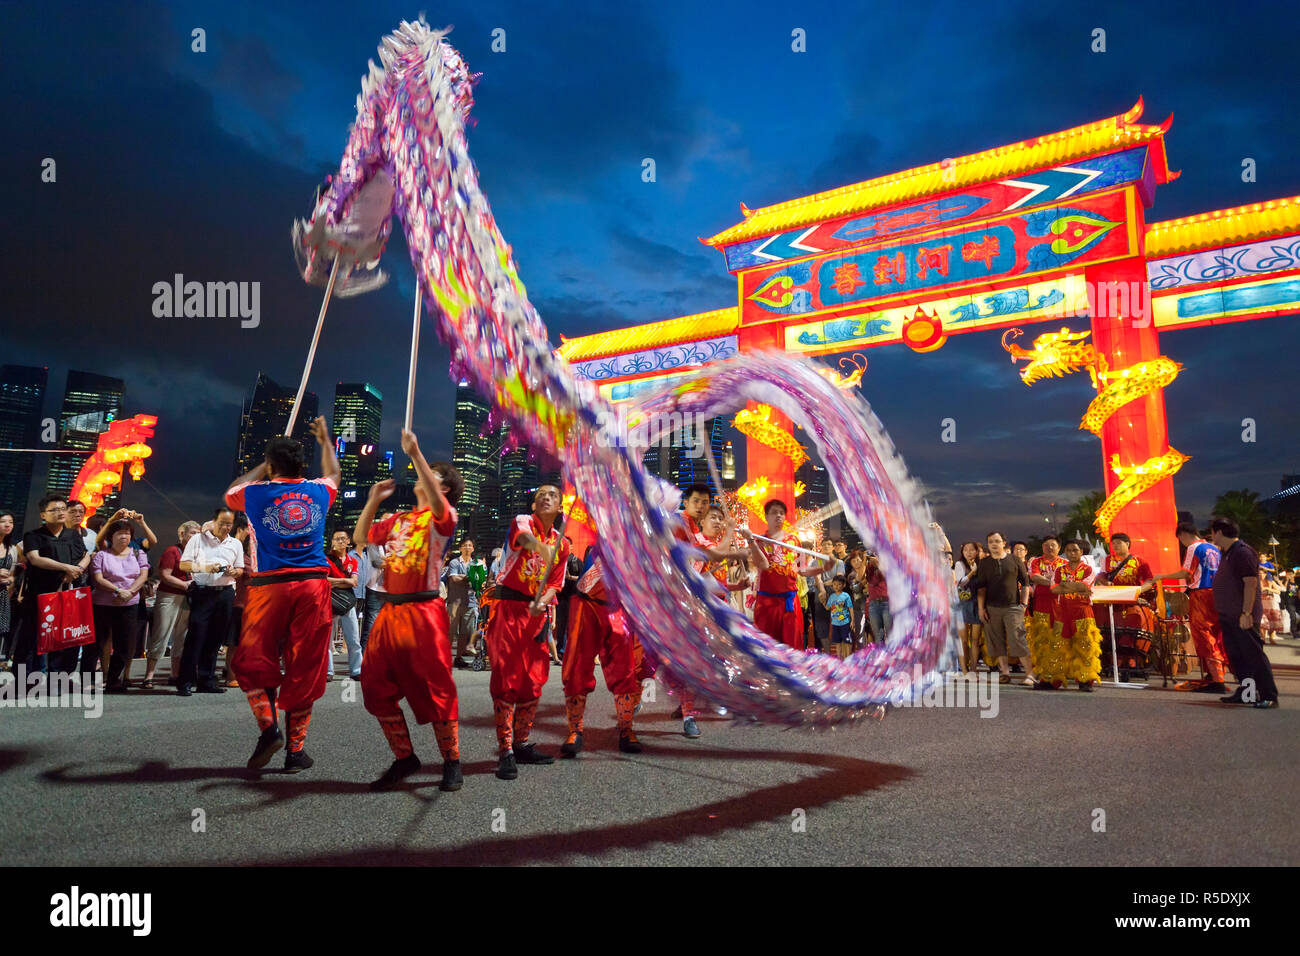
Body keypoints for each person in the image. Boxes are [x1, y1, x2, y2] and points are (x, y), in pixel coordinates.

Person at [226, 417, 340, 773]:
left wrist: (264, 463)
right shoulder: (320, 491)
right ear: (303, 466)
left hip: (269, 587)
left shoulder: (255, 492)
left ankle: (268, 729)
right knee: (304, 665)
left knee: (253, 659)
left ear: (272, 465)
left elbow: (231, 491)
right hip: (312, 585)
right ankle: (295, 751)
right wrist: (325, 441)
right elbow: (334, 473)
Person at [354, 431, 466, 793]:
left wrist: (416, 451)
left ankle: (452, 760)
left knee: (437, 688)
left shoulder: (443, 517)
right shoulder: (400, 518)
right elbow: (362, 537)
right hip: (390, 612)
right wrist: (372, 500)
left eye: (433, 474)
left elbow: (438, 506)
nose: (423, 475)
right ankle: (405, 758)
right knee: (374, 687)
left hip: (425, 612)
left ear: (444, 488)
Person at [486, 483, 569, 779]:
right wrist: (540, 547)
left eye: (553, 496)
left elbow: (555, 584)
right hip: (509, 608)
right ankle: (506, 749)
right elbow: (522, 538)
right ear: (534, 505)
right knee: (507, 679)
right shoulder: (524, 521)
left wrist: (542, 602)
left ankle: (521, 743)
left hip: (536, 614)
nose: (546, 498)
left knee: (534, 680)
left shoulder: (564, 543)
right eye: (541, 496)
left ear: (560, 508)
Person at [560, 546, 643, 756]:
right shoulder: (590, 538)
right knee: (576, 670)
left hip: (618, 608)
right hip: (586, 605)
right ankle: (575, 731)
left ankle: (626, 730)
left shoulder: (635, 541)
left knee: (624, 670)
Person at [1149, 523, 1229, 693]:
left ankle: (1217, 679)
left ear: (1183, 534)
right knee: (1215, 633)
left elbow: (1186, 573)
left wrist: (1162, 576)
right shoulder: (1213, 548)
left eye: (1180, 539)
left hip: (1201, 595)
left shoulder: (1194, 547)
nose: (1181, 543)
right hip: (1219, 593)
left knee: (1203, 634)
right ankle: (1213, 674)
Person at [17, 495, 91, 678]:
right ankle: (24, 679)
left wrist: (78, 569)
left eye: (62, 509)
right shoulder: (33, 535)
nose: (60, 512)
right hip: (40, 593)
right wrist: (66, 567)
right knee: (31, 638)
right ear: (43, 514)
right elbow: (35, 559)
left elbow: (86, 555)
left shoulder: (73, 535)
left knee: (64, 638)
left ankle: (57, 679)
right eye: (54, 509)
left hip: (67, 593)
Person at [1209, 518, 1279, 708]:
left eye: (1212, 532)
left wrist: (1246, 613)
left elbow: (1250, 583)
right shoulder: (1228, 553)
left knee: (1253, 655)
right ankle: (1248, 693)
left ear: (1219, 532)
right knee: (1238, 657)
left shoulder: (1242, 552)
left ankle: (1269, 695)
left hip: (1242, 615)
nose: (1211, 536)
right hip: (1229, 615)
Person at [177, 509, 244, 695]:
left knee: (216, 638)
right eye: (222, 523)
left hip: (225, 593)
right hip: (203, 592)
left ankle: (206, 680)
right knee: (195, 637)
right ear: (213, 521)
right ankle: (185, 681)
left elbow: (240, 569)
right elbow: (184, 564)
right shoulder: (198, 540)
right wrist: (205, 567)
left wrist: (233, 572)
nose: (225, 527)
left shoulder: (235, 544)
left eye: (229, 524)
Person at [89, 519, 150, 690]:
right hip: (102, 604)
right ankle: (89, 680)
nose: (124, 536)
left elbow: (143, 575)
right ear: (111, 536)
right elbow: (98, 579)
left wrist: (129, 593)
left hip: (129, 605)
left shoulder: (138, 554)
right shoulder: (102, 555)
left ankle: (114, 680)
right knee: (95, 645)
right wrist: (117, 590)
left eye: (127, 533)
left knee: (124, 645)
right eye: (119, 533)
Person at [974, 531, 1037, 685]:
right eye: (990, 542)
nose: (994, 544)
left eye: (997, 541)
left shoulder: (1015, 560)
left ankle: (1030, 674)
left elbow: (1025, 584)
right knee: (996, 641)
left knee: (1017, 639)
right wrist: (981, 609)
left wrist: (1023, 604)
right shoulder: (984, 563)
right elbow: (981, 588)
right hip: (992, 608)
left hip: (1013, 607)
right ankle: (1005, 673)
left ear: (1004, 543)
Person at [1042, 539, 1103, 690]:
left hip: (1082, 612)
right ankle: (1054, 680)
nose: (1072, 553)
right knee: (1057, 645)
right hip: (1062, 612)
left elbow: (1084, 586)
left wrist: (1065, 586)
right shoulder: (1059, 570)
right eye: (1068, 550)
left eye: (1075, 550)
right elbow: (1054, 589)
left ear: (1081, 552)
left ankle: (1085, 680)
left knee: (1085, 645)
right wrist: (1075, 587)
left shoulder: (1088, 569)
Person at [145, 520, 198, 688]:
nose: (195, 537)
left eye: (198, 534)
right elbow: (165, 574)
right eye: (192, 533)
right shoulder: (172, 551)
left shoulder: (197, 553)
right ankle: (149, 675)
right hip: (169, 596)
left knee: (182, 637)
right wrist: (185, 585)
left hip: (187, 598)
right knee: (161, 633)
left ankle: (175, 674)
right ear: (182, 534)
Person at [752, 499, 810, 651]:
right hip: (766, 603)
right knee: (767, 649)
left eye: (781, 513)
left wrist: (823, 568)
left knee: (792, 648)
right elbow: (761, 565)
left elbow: (802, 570)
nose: (778, 516)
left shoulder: (794, 540)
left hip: (789, 603)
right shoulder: (758, 541)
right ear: (766, 516)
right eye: (773, 513)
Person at [1026, 535, 1067, 684]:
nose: (1050, 547)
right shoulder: (1036, 561)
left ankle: (1058, 670)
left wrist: (1049, 581)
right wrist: (1053, 581)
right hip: (1041, 604)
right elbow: (1035, 577)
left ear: (1059, 548)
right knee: (1042, 636)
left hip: (1060, 605)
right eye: (1046, 545)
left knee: (1059, 636)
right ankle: (1041, 670)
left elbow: (1068, 580)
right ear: (1042, 547)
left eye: (1053, 545)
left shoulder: (1065, 563)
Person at [325, 530, 362, 680]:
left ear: (348, 541)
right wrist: (345, 581)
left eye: (343, 539)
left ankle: (356, 670)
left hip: (347, 602)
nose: (340, 542)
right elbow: (324, 580)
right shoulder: (326, 559)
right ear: (332, 542)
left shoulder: (353, 561)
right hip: (329, 601)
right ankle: (328, 671)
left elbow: (355, 582)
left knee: (353, 638)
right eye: (337, 539)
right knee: (327, 639)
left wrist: (337, 582)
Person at [442, 537, 479, 669]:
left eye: (470, 545)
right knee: (451, 631)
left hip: (470, 602)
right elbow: (454, 578)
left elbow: (481, 581)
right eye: (465, 545)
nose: (467, 548)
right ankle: (445, 658)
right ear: (460, 548)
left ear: (473, 549)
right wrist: (469, 578)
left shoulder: (477, 563)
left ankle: (458, 658)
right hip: (455, 602)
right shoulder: (454, 562)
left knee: (464, 632)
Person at [953, 542, 982, 670]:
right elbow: (961, 583)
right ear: (962, 552)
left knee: (975, 640)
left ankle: (973, 669)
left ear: (977, 551)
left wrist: (977, 569)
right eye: (966, 550)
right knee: (963, 640)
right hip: (963, 604)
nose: (969, 552)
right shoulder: (960, 564)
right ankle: (964, 670)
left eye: (972, 550)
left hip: (977, 603)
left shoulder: (982, 565)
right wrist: (972, 572)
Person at [817, 574, 854, 653]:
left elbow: (850, 608)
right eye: (834, 584)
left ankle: (847, 658)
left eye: (839, 584)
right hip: (835, 624)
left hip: (845, 623)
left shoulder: (846, 596)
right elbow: (827, 608)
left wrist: (852, 621)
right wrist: (823, 602)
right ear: (832, 585)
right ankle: (839, 659)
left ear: (843, 585)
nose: (836, 586)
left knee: (847, 642)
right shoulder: (831, 596)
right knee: (837, 643)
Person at [863, 552, 890, 644]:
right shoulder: (868, 567)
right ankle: (881, 656)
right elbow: (861, 578)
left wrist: (879, 565)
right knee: (878, 635)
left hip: (887, 603)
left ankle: (892, 656)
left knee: (890, 634)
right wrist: (864, 561)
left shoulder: (887, 564)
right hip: (873, 604)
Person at [0, 512, 16, 670]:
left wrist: (9, 580)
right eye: (3, 521)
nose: (7, 525)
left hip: (2, 594)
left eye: (10, 522)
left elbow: (12, 575)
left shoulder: (11, 548)